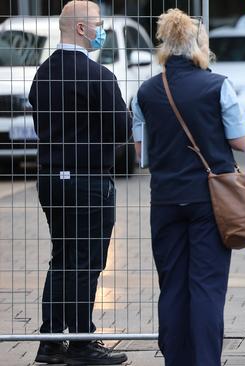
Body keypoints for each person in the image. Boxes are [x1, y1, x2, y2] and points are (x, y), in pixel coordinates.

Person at [132, 8, 245, 366]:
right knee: (206, 285)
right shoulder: (217, 85)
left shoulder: (147, 90)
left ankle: (176, 360)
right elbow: (241, 142)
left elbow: (142, 154)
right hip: (210, 200)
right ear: (199, 45)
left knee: (172, 285)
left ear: (164, 46)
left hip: (166, 199)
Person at [28, 1, 130, 364]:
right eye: (99, 23)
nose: (102, 29)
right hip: (88, 180)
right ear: (83, 29)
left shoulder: (43, 73)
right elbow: (122, 129)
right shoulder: (99, 76)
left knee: (62, 256)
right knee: (86, 261)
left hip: (51, 179)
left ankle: (51, 342)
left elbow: (42, 124)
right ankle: (83, 343)